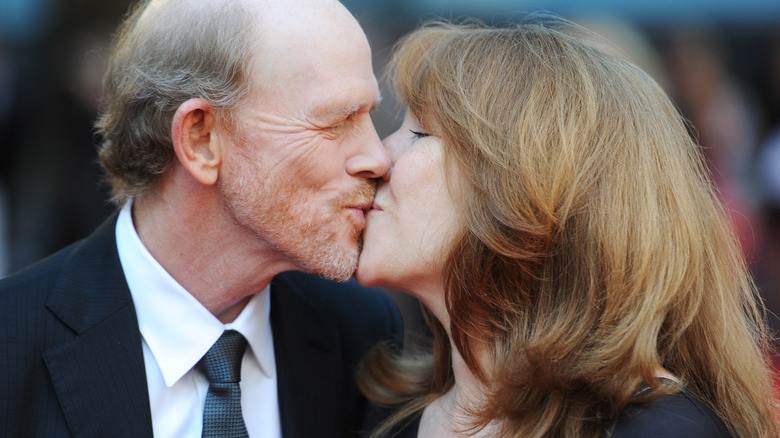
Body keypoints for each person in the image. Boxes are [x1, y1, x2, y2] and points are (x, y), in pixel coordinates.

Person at [355, 21, 779, 437]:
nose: (378, 156)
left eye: (418, 132)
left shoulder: (660, 430)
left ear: (525, 190)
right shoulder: (382, 410)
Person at [0, 0, 402, 437]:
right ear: (200, 139)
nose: (378, 157)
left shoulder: (359, 329)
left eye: (369, 115)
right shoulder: (11, 347)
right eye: (337, 122)